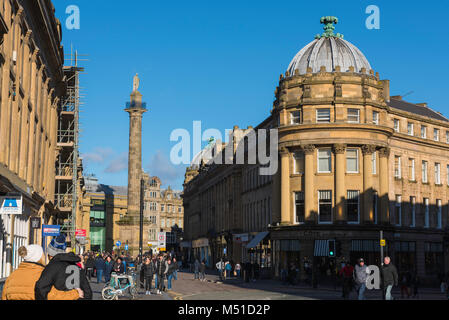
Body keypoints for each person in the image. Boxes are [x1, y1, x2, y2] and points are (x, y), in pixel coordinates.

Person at [1, 245, 82, 300]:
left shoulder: (13, 275)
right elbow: (52, 296)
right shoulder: (42, 274)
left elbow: (4, 296)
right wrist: (75, 294)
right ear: (39, 257)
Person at [35, 235, 92, 300]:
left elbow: (40, 288)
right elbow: (88, 292)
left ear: (51, 255)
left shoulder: (52, 267)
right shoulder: (77, 267)